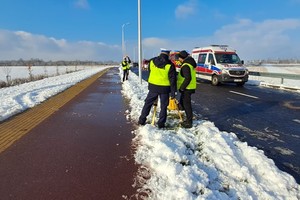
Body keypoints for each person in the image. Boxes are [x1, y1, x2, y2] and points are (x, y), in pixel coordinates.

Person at [138, 49, 177, 128]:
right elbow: (173, 80)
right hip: (164, 89)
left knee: (147, 104)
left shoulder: (152, 61)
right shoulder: (170, 65)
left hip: (153, 88)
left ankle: (142, 120)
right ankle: (161, 124)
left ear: (160, 53)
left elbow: (150, 71)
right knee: (163, 107)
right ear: (168, 54)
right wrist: (173, 93)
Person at [177, 50, 197, 128]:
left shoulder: (185, 66)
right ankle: (185, 114)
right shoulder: (189, 64)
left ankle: (189, 122)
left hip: (187, 88)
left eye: (179, 57)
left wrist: (182, 88)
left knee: (187, 105)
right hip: (189, 87)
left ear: (181, 58)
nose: (178, 59)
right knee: (183, 102)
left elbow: (188, 78)